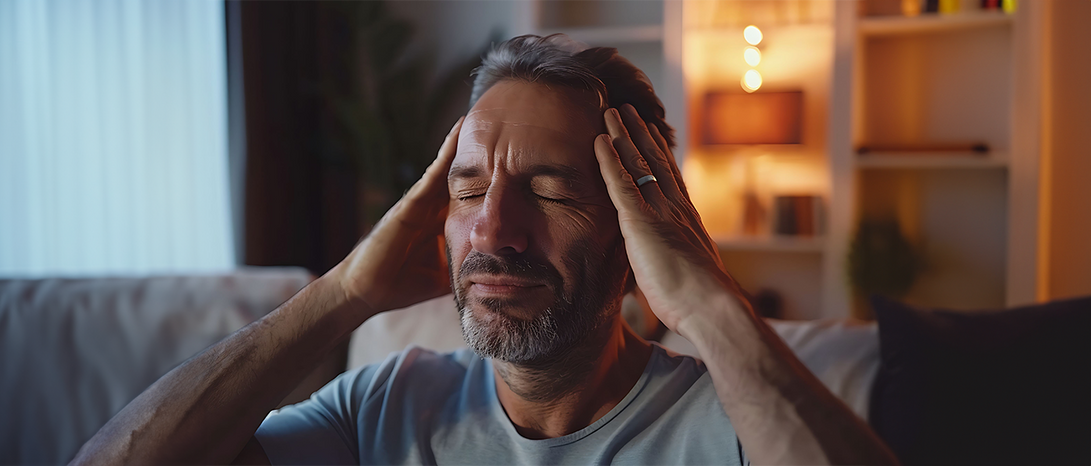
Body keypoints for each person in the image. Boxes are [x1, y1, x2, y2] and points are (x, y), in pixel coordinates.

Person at [71, 35, 898, 466]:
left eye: (546, 189)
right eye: (468, 190)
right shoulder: (383, 413)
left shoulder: (740, 425)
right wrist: (345, 292)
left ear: (635, 227)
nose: (493, 232)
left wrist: (709, 302)